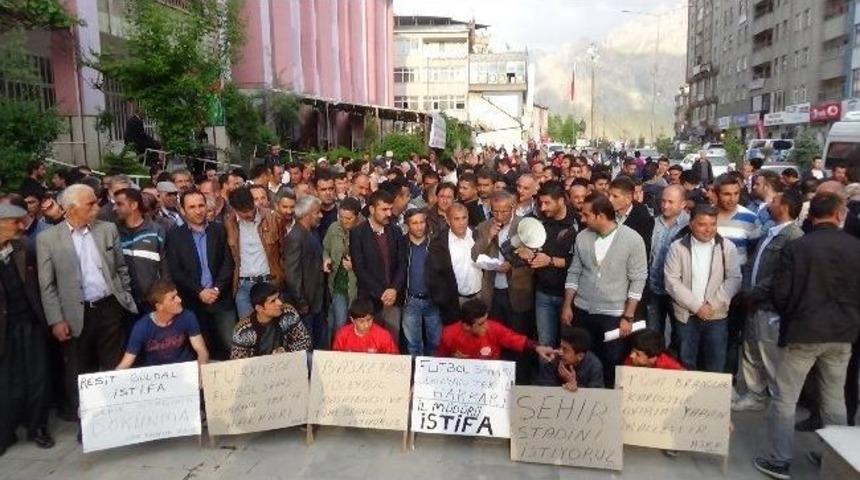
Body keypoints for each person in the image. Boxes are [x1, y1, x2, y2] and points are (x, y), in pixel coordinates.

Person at [754, 192, 860, 480]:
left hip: (804, 332)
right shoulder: (855, 247)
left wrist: (791, 315)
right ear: (839, 215)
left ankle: (780, 460)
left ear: (812, 215)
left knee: (785, 397)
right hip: (843, 334)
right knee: (834, 399)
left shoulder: (799, 247)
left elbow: (780, 292)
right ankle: (834, 456)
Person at [36, 184, 138, 416]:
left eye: (96, 201)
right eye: (90, 203)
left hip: (110, 307)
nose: (97, 207)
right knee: (80, 369)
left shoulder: (107, 229)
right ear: (71, 209)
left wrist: (124, 295)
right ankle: (88, 419)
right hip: (75, 315)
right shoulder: (48, 239)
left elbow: (121, 268)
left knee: (114, 363)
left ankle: (119, 415)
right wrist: (56, 320)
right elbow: (47, 285)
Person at [561, 193, 648, 387]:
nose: (582, 219)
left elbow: (638, 280)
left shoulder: (632, 239)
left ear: (600, 215)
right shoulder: (582, 237)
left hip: (614, 315)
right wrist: (568, 305)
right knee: (583, 361)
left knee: (612, 363)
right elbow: (574, 272)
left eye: (586, 215)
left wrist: (628, 315)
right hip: (583, 310)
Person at [733, 190, 804, 412]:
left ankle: (778, 402)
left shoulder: (794, 237)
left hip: (769, 306)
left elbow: (780, 276)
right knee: (751, 351)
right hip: (753, 304)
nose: (769, 205)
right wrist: (747, 291)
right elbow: (753, 264)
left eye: (774, 201)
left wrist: (755, 293)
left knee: (770, 356)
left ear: (784, 207)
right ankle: (755, 395)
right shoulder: (770, 232)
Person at [0, 204, 53, 453]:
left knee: (38, 377)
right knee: (8, 382)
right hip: (5, 329)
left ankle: (38, 426)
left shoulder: (24, 248)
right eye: (15, 222)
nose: (22, 227)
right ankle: (6, 430)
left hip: (30, 323)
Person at [664, 204, 742, 372]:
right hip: (686, 316)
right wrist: (696, 306)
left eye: (713, 224)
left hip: (716, 316)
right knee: (687, 362)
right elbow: (671, 281)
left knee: (715, 363)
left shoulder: (726, 247)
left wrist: (712, 304)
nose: (708, 230)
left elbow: (734, 279)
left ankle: (712, 399)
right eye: (702, 225)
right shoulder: (677, 247)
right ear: (691, 224)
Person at [165, 190, 236, 361]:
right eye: (192, 207)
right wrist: (199, 291)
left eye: (201, 205)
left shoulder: (218, 230)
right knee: (201, 350)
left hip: (221, 298)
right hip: (193, 301)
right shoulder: (175, 235)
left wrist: (217, 288)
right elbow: (176, 271)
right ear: (182, 210)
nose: (198, 211)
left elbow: (228, 263)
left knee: (230, 344)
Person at [472, 191, 534, 336]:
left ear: (512, 207)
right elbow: (475, 255)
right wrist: (489, 236)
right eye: (496, 212)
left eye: (504, 211)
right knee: (494, 334)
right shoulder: (483, 227)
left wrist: (511, 264)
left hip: (517, 290)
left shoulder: (524, 225)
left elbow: (532, 255)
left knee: (516, 335)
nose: (499, 216)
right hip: (493, 290)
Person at [349, 189, 407, 344]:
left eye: (390, 209)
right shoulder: (357, 233)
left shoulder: (395, 230)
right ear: (372, 209)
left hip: (393, 299)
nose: (389, 213)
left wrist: (394, 289)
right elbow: (360, 269)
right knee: (369, 343)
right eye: (384, 209)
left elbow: (402, 263)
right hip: (370, 300)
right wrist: (383, 293)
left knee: (391, 341)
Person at [528, 181, 577, 349]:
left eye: (547, 203)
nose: (543, 207)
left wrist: (550, 261)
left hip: (569, 296)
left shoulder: (577, 223)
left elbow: (581, 262)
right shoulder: (539, 222)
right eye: (540, 203)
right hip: (543, 293)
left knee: (567, 346)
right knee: (545, 345)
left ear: (561, 200)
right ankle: (545, 375)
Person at [116, 280, 208, 368]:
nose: (179, 300)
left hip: (184, 368)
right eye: (173, 298)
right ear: (159, 306)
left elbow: (201, 351)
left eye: (177, 295)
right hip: (158, 375)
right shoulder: (142, 327)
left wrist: (200, 375)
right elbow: (126, 362)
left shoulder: (188, 316)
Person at [224, 186, 285, 318]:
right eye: (244, 212)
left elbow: (283, 249)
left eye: (251, 209)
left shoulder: (273, 218)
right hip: (244, 285)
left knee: (273, 329)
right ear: (234, 209)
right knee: (248, 331)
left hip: (269, 281)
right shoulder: (229, 223)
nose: (249, 215)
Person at [437, 298, 556, 362]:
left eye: (486, 320)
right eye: (481, 324)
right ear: (466, 326)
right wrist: (452, 361)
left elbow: (516, 340)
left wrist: (537, 347)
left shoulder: (494, 328)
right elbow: (440, 361)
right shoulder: (448, 334)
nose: (486, 326)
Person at [113, 187, 169, 313]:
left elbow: (165, 267)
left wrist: (163, 295)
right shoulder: (114, 232)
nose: (115, 208)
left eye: (119, 204)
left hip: (153, 302)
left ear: (133, 205)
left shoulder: (157, 231)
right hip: (125, 302)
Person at [648, 185, 689, 349]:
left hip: (679, 291)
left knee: (680, 335)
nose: (665, 205)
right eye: (663, 201)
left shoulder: (689, 226)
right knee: (652, 333)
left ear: (683, 204)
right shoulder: (653, 223)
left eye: (671, 202)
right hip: (654, 288)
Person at [425, 204, 481, 325]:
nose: (461, 222)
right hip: (454, 302)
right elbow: (434, 276)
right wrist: (443, 300)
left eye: (464, 218)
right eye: (456, 219)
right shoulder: (439, 243)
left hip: (480, 297)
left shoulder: (477, 235)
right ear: (448, 220)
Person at [283, 195, 326, 348]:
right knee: (306, 344)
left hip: (316, 299)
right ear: (307, 214)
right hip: (305, 303)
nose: (320, 215)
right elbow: (292, 273)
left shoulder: (311, 232)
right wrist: (301, 301)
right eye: (317, 212)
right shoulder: (295, 237)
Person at [230, 282, 311, 358]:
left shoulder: (288, 312)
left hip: (288, 362)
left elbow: (305, 341)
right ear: (259, 308)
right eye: (273, 301)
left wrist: (286, 351)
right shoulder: (243, 331)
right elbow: (239, 364)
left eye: (278, 298)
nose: (279, 303)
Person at [402, 208, 442, 356]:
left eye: (422, 222)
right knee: (413, 344)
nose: (419, 226)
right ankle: (416, 376)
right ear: (407, 225)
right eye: (414, 223)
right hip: (410, 300)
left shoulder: (435, 244)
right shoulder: (402, 244)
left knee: (435, 343)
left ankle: (432, 377)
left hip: (433, 300)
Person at [322, 198, 361, 345]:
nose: (344, 221)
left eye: (349, 218)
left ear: (357, 217)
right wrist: (326, 259)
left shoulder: (364, 230)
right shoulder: (334, 228)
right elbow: (326, 248)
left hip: (357, 286)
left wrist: (355, 266)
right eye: (341, 217)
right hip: (338, 284)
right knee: (339, 324)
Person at [536, 326, 604, 391]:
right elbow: (544, 391)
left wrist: (574, 384)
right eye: (560, 347)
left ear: (580, 356)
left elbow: (596, 395)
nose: (560, 352)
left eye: (565, 349)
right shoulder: (553, 360)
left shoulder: (593, 366)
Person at [332, 298, 398, 354]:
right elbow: (336, 358)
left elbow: (393, 359)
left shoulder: (384, 336)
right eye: (361, 321)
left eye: (369, 320)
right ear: (352, 320)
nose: (366, 325)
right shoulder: (342, 334)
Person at [314, 170, 338, 240]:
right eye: (323, 190)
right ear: (316, 191)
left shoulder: (341, 212)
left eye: (331, 189)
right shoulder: (310, 214)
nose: (328, 193)